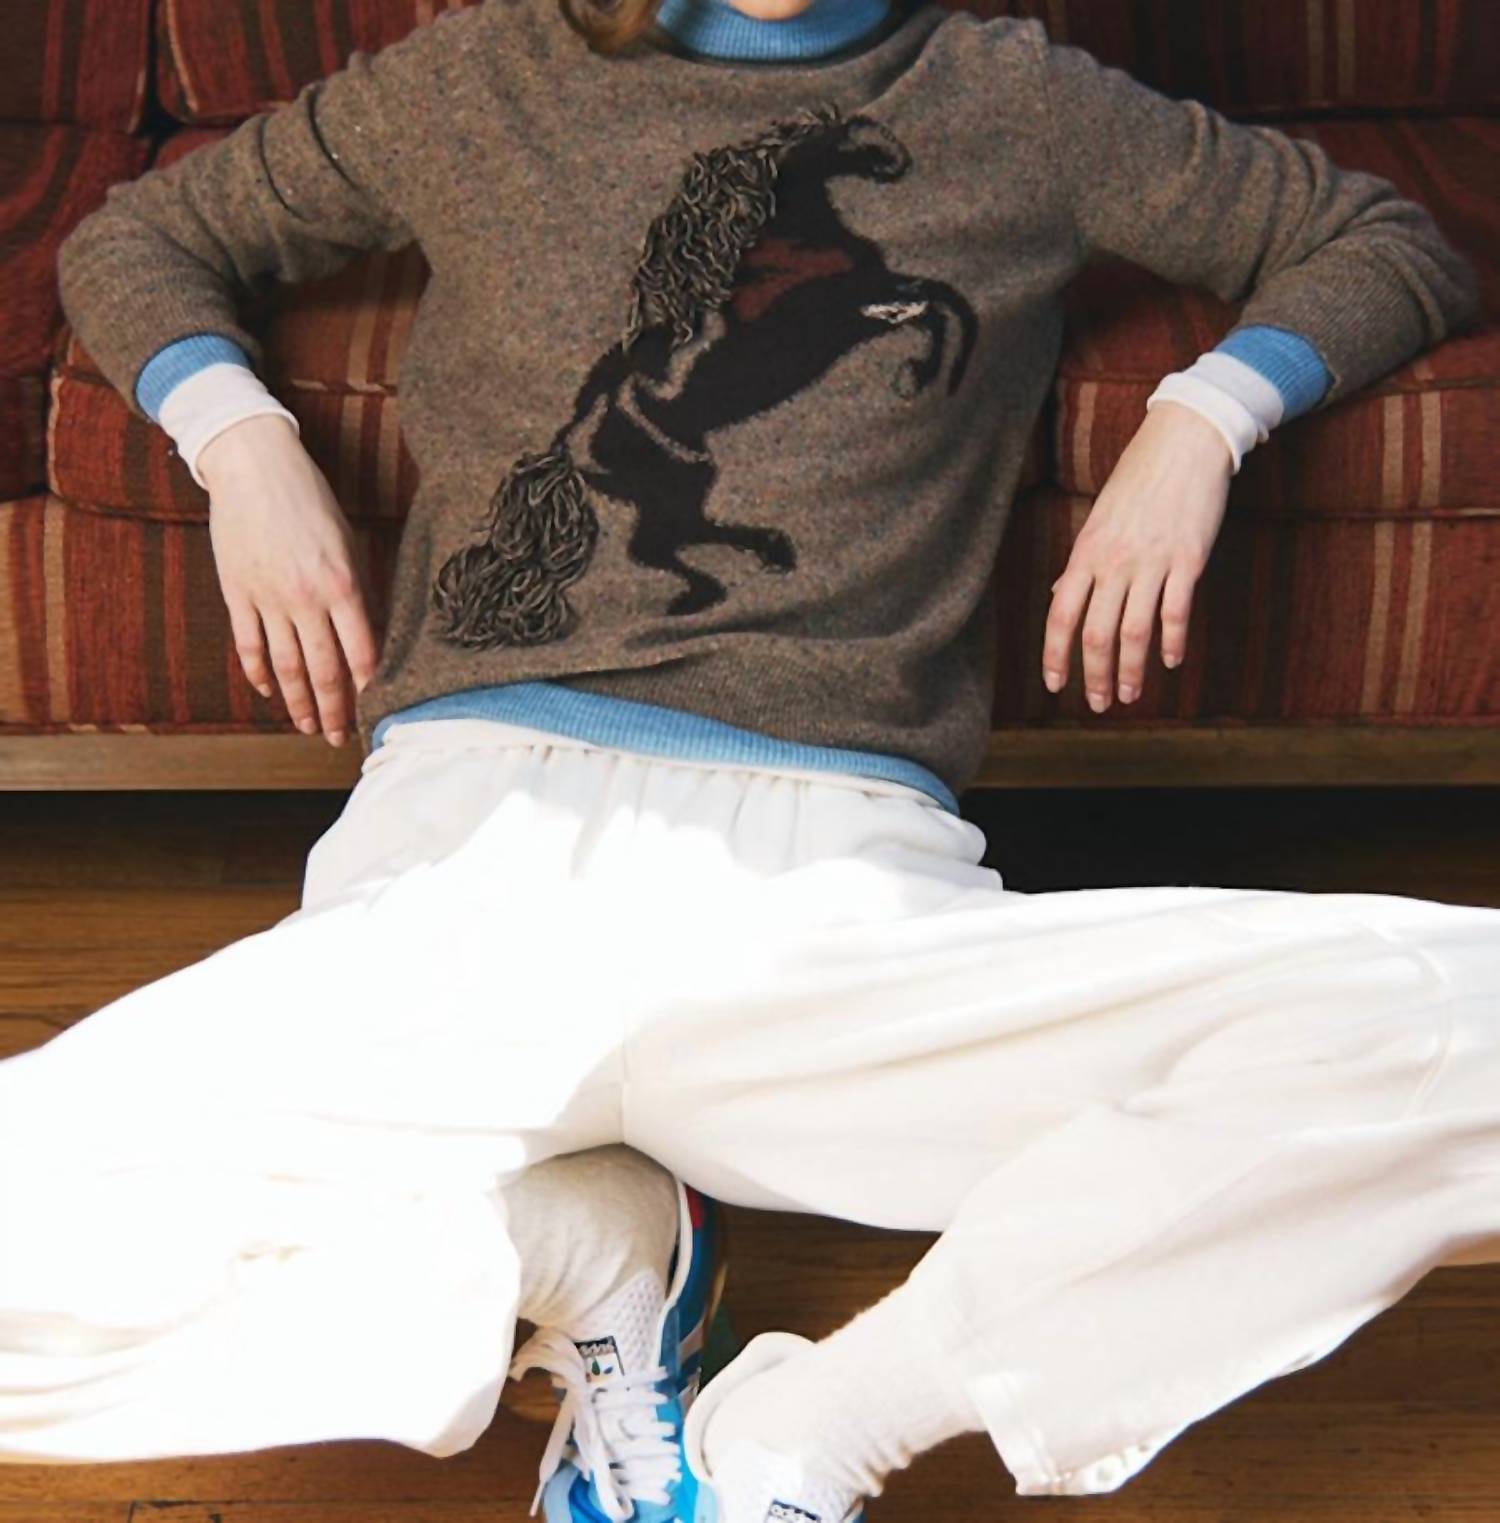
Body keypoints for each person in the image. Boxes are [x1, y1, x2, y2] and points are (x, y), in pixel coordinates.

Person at [17, 0, 1494, 1520]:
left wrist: (1201, 423)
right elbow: (142, 238)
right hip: (464, 873)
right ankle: (573, 1247)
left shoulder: (1019, 102)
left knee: (1479, 1026)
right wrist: (242, 446)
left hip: (830, 894)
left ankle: (806, 1435)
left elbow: (1383, 241)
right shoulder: (485, 75)